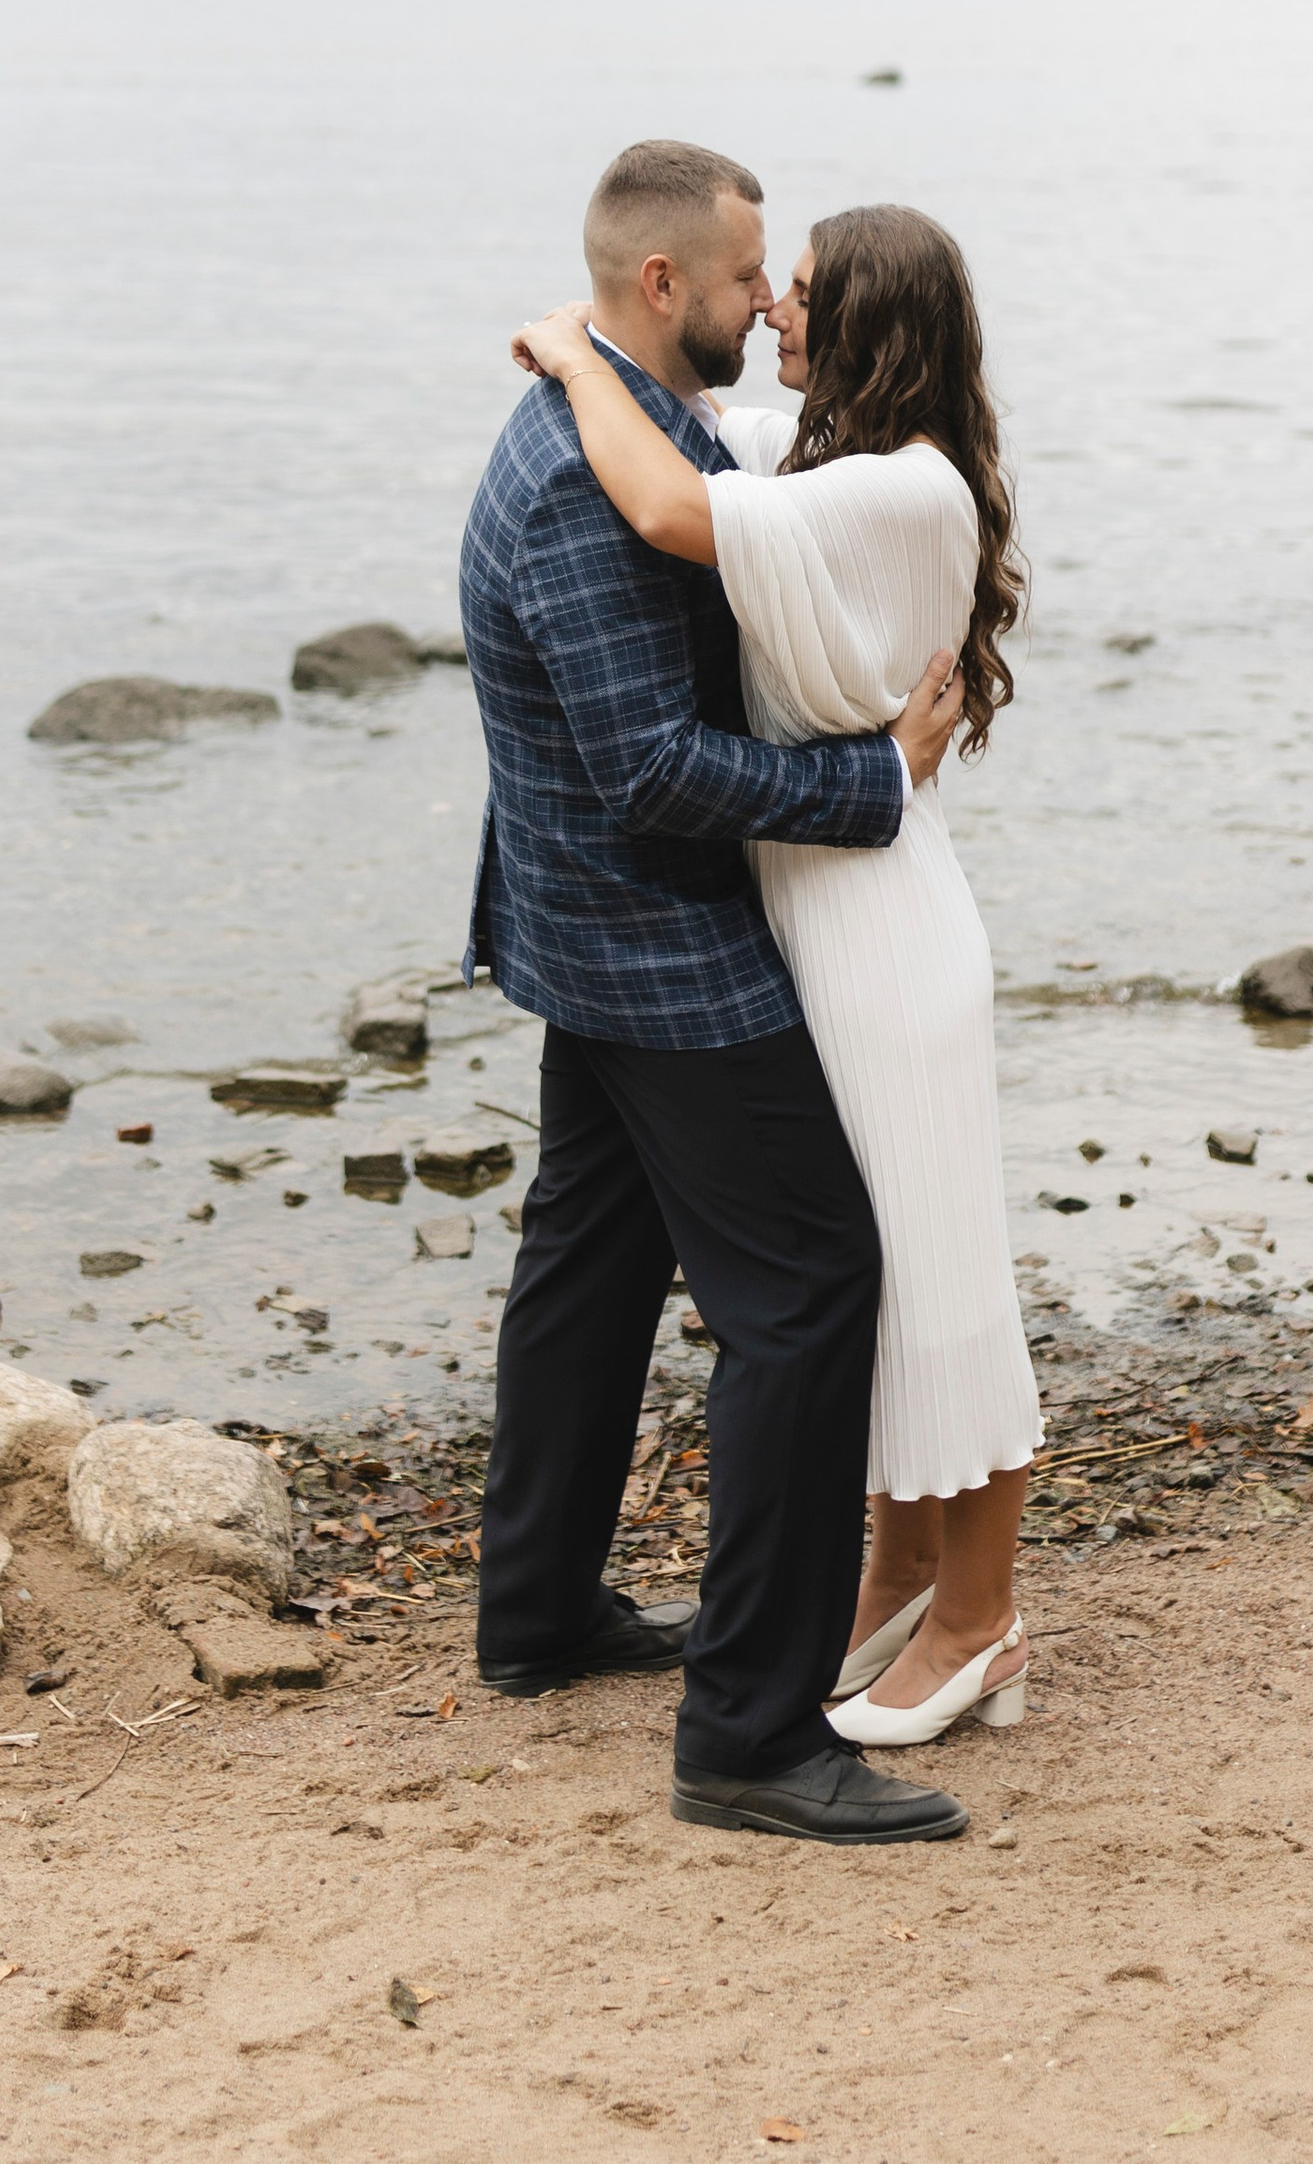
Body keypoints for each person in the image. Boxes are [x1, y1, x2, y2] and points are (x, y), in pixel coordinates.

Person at [463, 138, 972, 1845]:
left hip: (577, 925)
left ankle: (537, 1613)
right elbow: (653, 771)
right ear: (665, 286)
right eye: (752, 282)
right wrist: (872, 787)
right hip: (656, 938)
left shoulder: (628, 412)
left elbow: (731, 499)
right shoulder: (576, 485)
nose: (770, 310)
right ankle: (750, 1734)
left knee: (591, 1263)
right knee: (812, 1293)